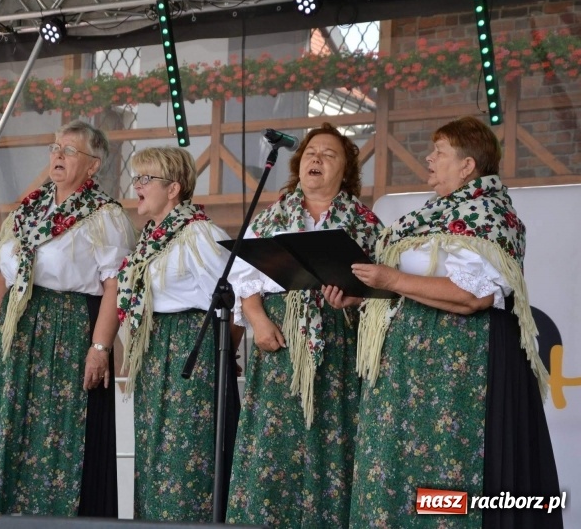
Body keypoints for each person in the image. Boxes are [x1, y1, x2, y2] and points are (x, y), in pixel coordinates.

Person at [349, 116, 562, 528]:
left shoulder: (490, 215)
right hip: (413, 372)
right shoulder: (431, 215)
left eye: (440, 152)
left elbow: (472, 295)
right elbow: (412, 286)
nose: (429, 158)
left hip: (460, 368)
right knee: (406, 474)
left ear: (468, 166)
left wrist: (391, 278)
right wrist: (365, 291)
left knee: (450, 470)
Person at [0, 120, 136, 526]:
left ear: (93, 165)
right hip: (17, 330)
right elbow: (3, 280)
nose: (57, 156)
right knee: (9, 430)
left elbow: (116, 287)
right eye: (55, 148)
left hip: (68, 328)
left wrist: (99, 348)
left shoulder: (104, 215)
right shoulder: (28, 210)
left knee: (57, 434)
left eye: (69, 151)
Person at [226, 124, 384, 528]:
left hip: (338, 341)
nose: (317, 158)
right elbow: (245, 277)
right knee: (275, 443)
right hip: (281, 340)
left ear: (346, 170)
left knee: (333, 436)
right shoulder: (274, 215)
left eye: (329, 155)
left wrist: (354, 301)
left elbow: (383, 288)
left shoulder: (365, 223)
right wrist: (258, 321)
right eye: (312, 152)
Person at [117, 147, 242, 522]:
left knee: (186, 456)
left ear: (173, 189)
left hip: (191, 347)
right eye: (135, 178)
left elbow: (233, 300)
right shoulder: (151, 238)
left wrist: (219, 355)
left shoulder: (198, 234)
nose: (136, 186)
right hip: (158, 350)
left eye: (145, 179)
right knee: (156, 453)